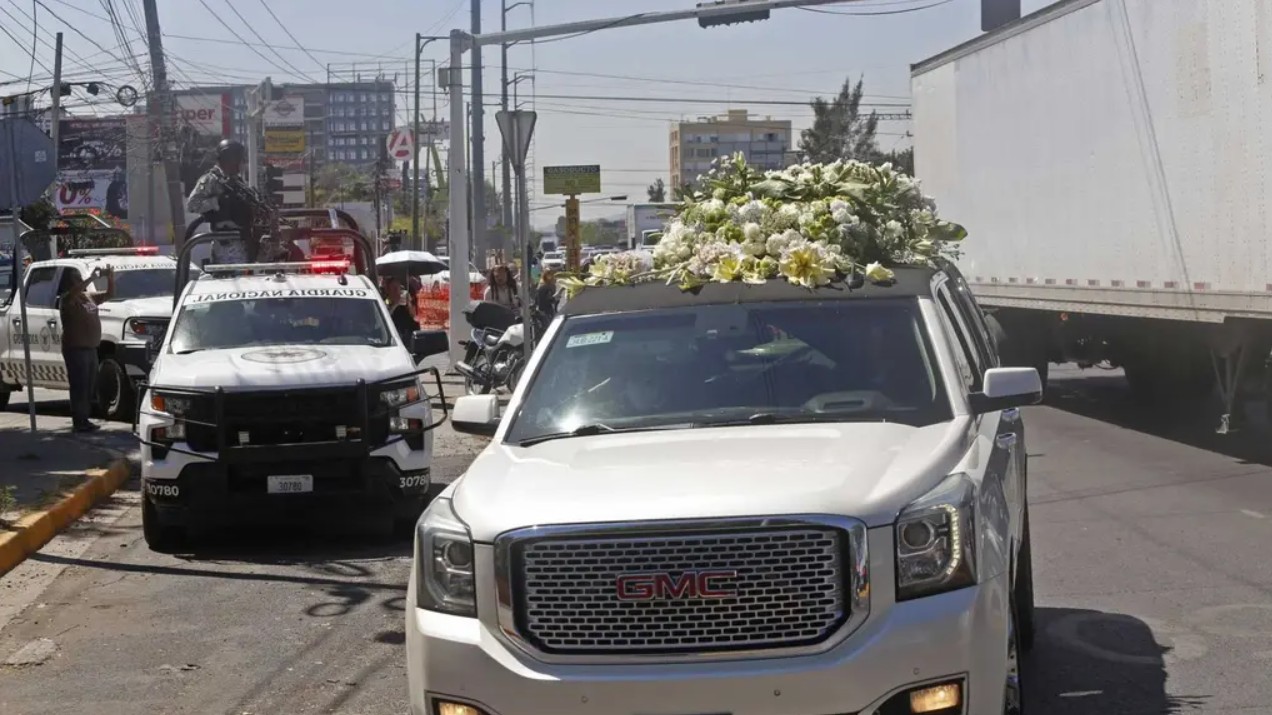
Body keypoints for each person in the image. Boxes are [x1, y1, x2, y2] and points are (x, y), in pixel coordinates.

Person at [59, 265, 114, 432]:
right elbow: (74, 291)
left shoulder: (88, 297)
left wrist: (109, 278)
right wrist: (90, 278)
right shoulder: (67, 298)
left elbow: (109, 295)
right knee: (79, 386)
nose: (79, 280)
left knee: (89, 386)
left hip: (91, 348)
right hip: (76, 349)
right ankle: (79, 420)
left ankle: (85, 418)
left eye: (79, 277)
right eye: (76, 278)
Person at [186, 139, 256, 264]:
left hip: (244, 238)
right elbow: (192, 205)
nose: (240, 164)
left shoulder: (237, 181)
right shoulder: (211, 179)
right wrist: (217, 202)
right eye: (237, 159)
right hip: (225, 242)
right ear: (227, 158)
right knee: (230, 280)